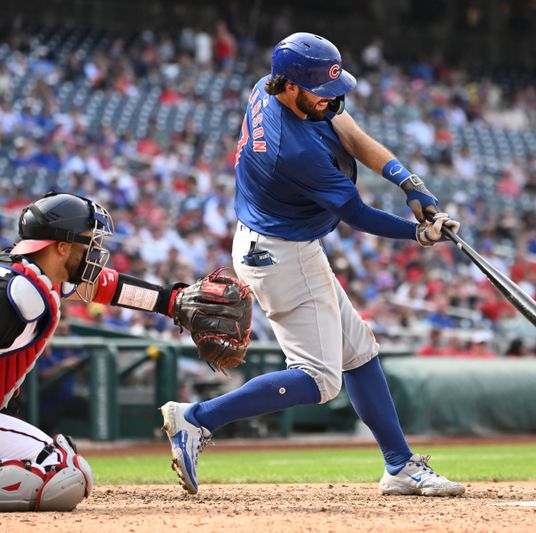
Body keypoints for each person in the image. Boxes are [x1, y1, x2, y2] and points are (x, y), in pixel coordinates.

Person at [160, 32, 464, 497]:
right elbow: (358, 215)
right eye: (321, 92)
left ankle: (399, 464)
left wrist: (409, 183)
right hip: (281, 254)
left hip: (279, 243)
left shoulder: (272, 87)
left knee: (359, 352)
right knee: (320, 379)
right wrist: (420, 233)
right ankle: (197, 419)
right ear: (290, 87)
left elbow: (353, 134)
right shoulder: (293, 150)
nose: (332, 100)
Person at [0, 192, 188, 511]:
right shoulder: (20, 292)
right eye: (87, 242)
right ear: (62, 247)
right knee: (65, 474)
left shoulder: (33, 277)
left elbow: (105, 286)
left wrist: (169, 302)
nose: (94, 252)